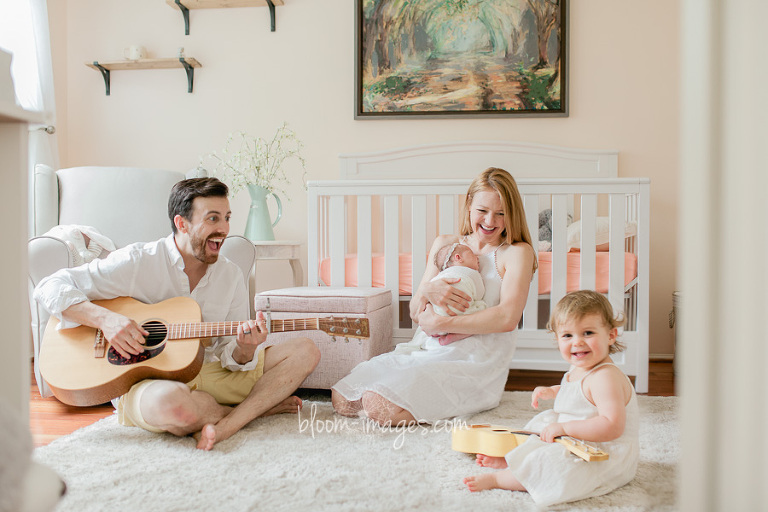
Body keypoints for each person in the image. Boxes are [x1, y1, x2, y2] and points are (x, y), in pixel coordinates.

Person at [33, 177, 321, 450]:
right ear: (182, 223)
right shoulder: (138, 261)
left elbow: (228, 353)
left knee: (306, 350)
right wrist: (105, 320)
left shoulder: (230, 275)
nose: (223, 228)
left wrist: (245, 350)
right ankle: (254, 409)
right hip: (148, 382)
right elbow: (50, 286)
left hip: (209, 371)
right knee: (175, 407)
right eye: (212, 218)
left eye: (226, 217)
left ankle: (227, 423)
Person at [332, 167, 537, 425]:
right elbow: (416, 310)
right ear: (469, 205)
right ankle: (412, 392)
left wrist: (442, 324)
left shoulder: (516, 252)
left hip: (474, 359)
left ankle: (447, 402)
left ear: (512, 214)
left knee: (378, 406)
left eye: (501, 214)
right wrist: (428, 290)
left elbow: (508, 317)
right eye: (483, 211)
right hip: (428, 349)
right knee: (343, 398)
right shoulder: (447, 245)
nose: (490, 221)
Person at [463, 290, 639, 507]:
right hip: (577, 438)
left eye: (588, 333)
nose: (577, 343)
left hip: (603, 454)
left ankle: (502, 478)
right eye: (568, 335)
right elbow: (581, 394)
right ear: (557, 338)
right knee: (540, 427)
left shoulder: (606, 377)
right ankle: (516, 464)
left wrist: (565, 428)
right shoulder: (580, 367)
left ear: (611, 335)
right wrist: (554, 391)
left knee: (552, 463)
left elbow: (612, 426)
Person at [393, 242, 486, 355]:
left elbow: (427, 296)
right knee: (482, 308)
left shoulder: (439, 277)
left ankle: (431, 335)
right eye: (472, 254)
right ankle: (455, 335)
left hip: (434, 315)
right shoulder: (472, 273)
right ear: (458, 257)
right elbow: (480, 292)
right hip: (457, 314)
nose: (477, 258)